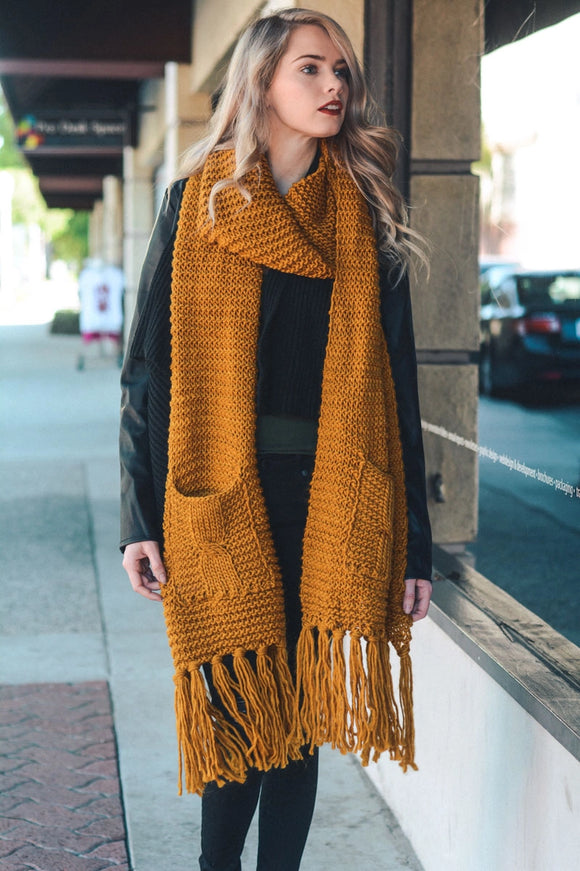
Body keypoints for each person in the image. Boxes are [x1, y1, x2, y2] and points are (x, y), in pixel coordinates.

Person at [120, 8, 432, 870]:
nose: (335, 85)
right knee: (238, 714)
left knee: (301, 724)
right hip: (218, 496)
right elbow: (148, 373)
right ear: (262, 81)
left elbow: (397, 391)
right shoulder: (197, 205)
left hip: (331, 498)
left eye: (341, 71)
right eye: (311, 69)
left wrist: (416, 548)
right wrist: (136, 518)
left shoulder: (362, 215)